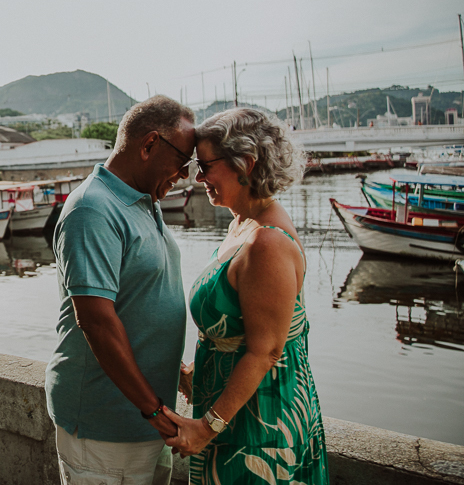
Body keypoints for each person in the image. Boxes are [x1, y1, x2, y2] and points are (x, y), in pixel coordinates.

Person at [162, 108, 329, 485]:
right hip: (235, 415)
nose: (198, 177)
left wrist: (205, 428)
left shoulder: (266, 243)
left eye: (205, 166)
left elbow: (265, 351)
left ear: (246, 163)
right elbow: (241, 325)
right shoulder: (243, 223)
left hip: (259, 428)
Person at [45, 95, 196, 485]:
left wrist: (173, 368)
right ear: (149, 145)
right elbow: (96, 322)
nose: (185, 175)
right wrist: (154, 412)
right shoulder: (92, 209)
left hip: (146, 416)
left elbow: (138, 297)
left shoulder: (145, 200)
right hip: (106, 425)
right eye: (183, 161)